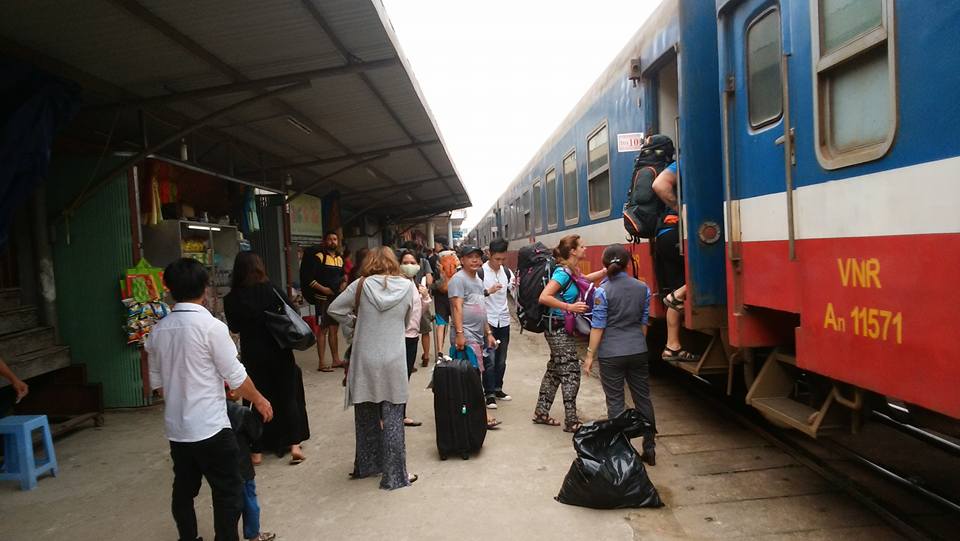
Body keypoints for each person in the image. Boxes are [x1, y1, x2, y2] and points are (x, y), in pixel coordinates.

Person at [147, 257, 273, 541]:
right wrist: (260, 400)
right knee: (228, 491)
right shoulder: (211, 328)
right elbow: (236, 377)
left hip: (178, 430)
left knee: (184, 491)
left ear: (169, 290)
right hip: (211, 427)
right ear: (205, 288)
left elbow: (158, 387)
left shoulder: (157, 331)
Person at [327, 247, 419, 490]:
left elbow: (334, 309)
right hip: (394, 358)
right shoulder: (407, 287)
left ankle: (368, 465)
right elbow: (407, 320)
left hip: (365, 358)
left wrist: (355, 323)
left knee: (366, 414)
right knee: (393, 418)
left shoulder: (360, 285)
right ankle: (395, 476)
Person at [224, 252, 310, 465]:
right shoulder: (272, 289)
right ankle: (294, 444)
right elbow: (293, 312)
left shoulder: (232, 298)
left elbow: (234, 327)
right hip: (278, 349)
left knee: (254, 399)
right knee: (287, 395)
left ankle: (257, 450)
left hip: (252, 353)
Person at [582, 244, 657, 465]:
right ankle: (650, 448)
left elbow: (598, 327)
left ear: (604, 265)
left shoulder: (602, 291)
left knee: (615, 403)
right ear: (628, 264)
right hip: (637, 350)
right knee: (643, 399)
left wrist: (589, 356)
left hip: (611, 354)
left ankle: (622, 454)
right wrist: (637, 344)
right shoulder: (642, 288)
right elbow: (644, 322)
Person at [534, 234, 606, 433]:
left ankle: (541, 412)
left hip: (559, 327)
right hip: (557, 327)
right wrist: (569, 307)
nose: (585, 248)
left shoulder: (572, 270)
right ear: (573, 251)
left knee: (555, 371)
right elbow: (544, 297)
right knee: (571, 372)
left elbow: (583, 281)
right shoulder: (562, 273)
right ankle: (572, 421)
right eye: (582, 246)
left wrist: (604, 272)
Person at [651, 150, 700, 363]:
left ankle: (672, 346)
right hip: (675, 233)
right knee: (704, 276)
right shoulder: (685, 160)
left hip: (664, 234)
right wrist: (680, 208)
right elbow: (659, 184)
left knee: (676, 288)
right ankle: (677, 296)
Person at [448, 245, 501, 429]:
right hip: (466, 335)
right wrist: (460, 334)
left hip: (478, 336)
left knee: (473, 375)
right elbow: (457, 307)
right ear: (462, 260)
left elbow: (481, 308)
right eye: (470, 257)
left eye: (478, 257)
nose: (475, 260)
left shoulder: (478, 280)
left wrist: (488, 333)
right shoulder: (458, 280)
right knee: (472, 376)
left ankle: (470, 413)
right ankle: (480, 415)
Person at [225, 390, 276, 541]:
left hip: (222, 465)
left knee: (225, 502)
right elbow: (255, 433)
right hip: (242, 464)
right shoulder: (241, 412)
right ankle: (253, 534)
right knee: (249, 499)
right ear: (231, 392)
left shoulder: (211, 411)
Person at [302, 231, 348, 372]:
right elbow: (309, 279)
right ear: (324, 241)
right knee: (322, 329)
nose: (332, 242)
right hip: (321, 299)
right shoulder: (319, 257)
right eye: (330, 239)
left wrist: (344, 284)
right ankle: (321, 363)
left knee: (334, 329)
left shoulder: (340, 259)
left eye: (335, 239)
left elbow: (343, 275)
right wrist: (324, 290)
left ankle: (336, 360)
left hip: (335, 298)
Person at [480, 238, 513, 409]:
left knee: (502, 359)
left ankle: (498, 388)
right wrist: (488, 291)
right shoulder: (480, 273)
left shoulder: (506, 272)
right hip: (488, 322)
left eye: (503, 259)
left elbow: (513, 291)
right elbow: (473, 297)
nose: (499, 262)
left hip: (504, 320)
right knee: (490, 359)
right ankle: (489, 393)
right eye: (496, 259)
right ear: (489, 254)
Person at [399, 250, 431, 427]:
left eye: (413, 262)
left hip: (412, 336)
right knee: (399, 378)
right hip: (400, 337)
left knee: (405, 378)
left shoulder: (414, 283)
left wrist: (425, 297)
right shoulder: (398, 284)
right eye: (405, 262)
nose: (409, 266)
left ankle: (400, 413)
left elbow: (418, 311)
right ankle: (396, 415)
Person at [429, 236, 451, 352]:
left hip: (440, 295)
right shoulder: (454, 256)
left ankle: (440, 351)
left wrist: (432, 287)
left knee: (441, 322)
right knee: (455, 322)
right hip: (453, 294)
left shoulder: (434, 258)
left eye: (436, 244)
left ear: (440, 245)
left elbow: (431, 277)